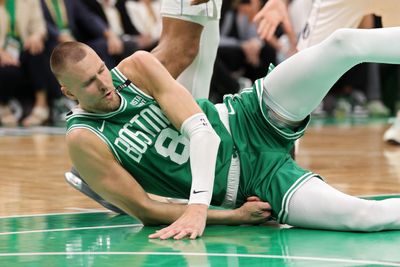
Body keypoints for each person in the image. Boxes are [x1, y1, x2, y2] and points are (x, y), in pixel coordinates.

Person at [51, 27, 400, 240]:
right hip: (256, 182)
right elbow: (144, 208)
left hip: (249, 116)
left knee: (342, 44)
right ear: (69, 93)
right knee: (362, 217)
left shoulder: (137, 67)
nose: (103, 83)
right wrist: (231, 216)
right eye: (90, 83)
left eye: (101, 69)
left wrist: (198, 207)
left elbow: (203, 133)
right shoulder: (84, 139)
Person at [0, 0, 51, 127]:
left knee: (37, 52)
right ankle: (3, 106)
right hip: (2, 51)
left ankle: (41, 106)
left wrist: (36, 36)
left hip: (22, 48)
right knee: (6, 69)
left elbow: (40, 27)